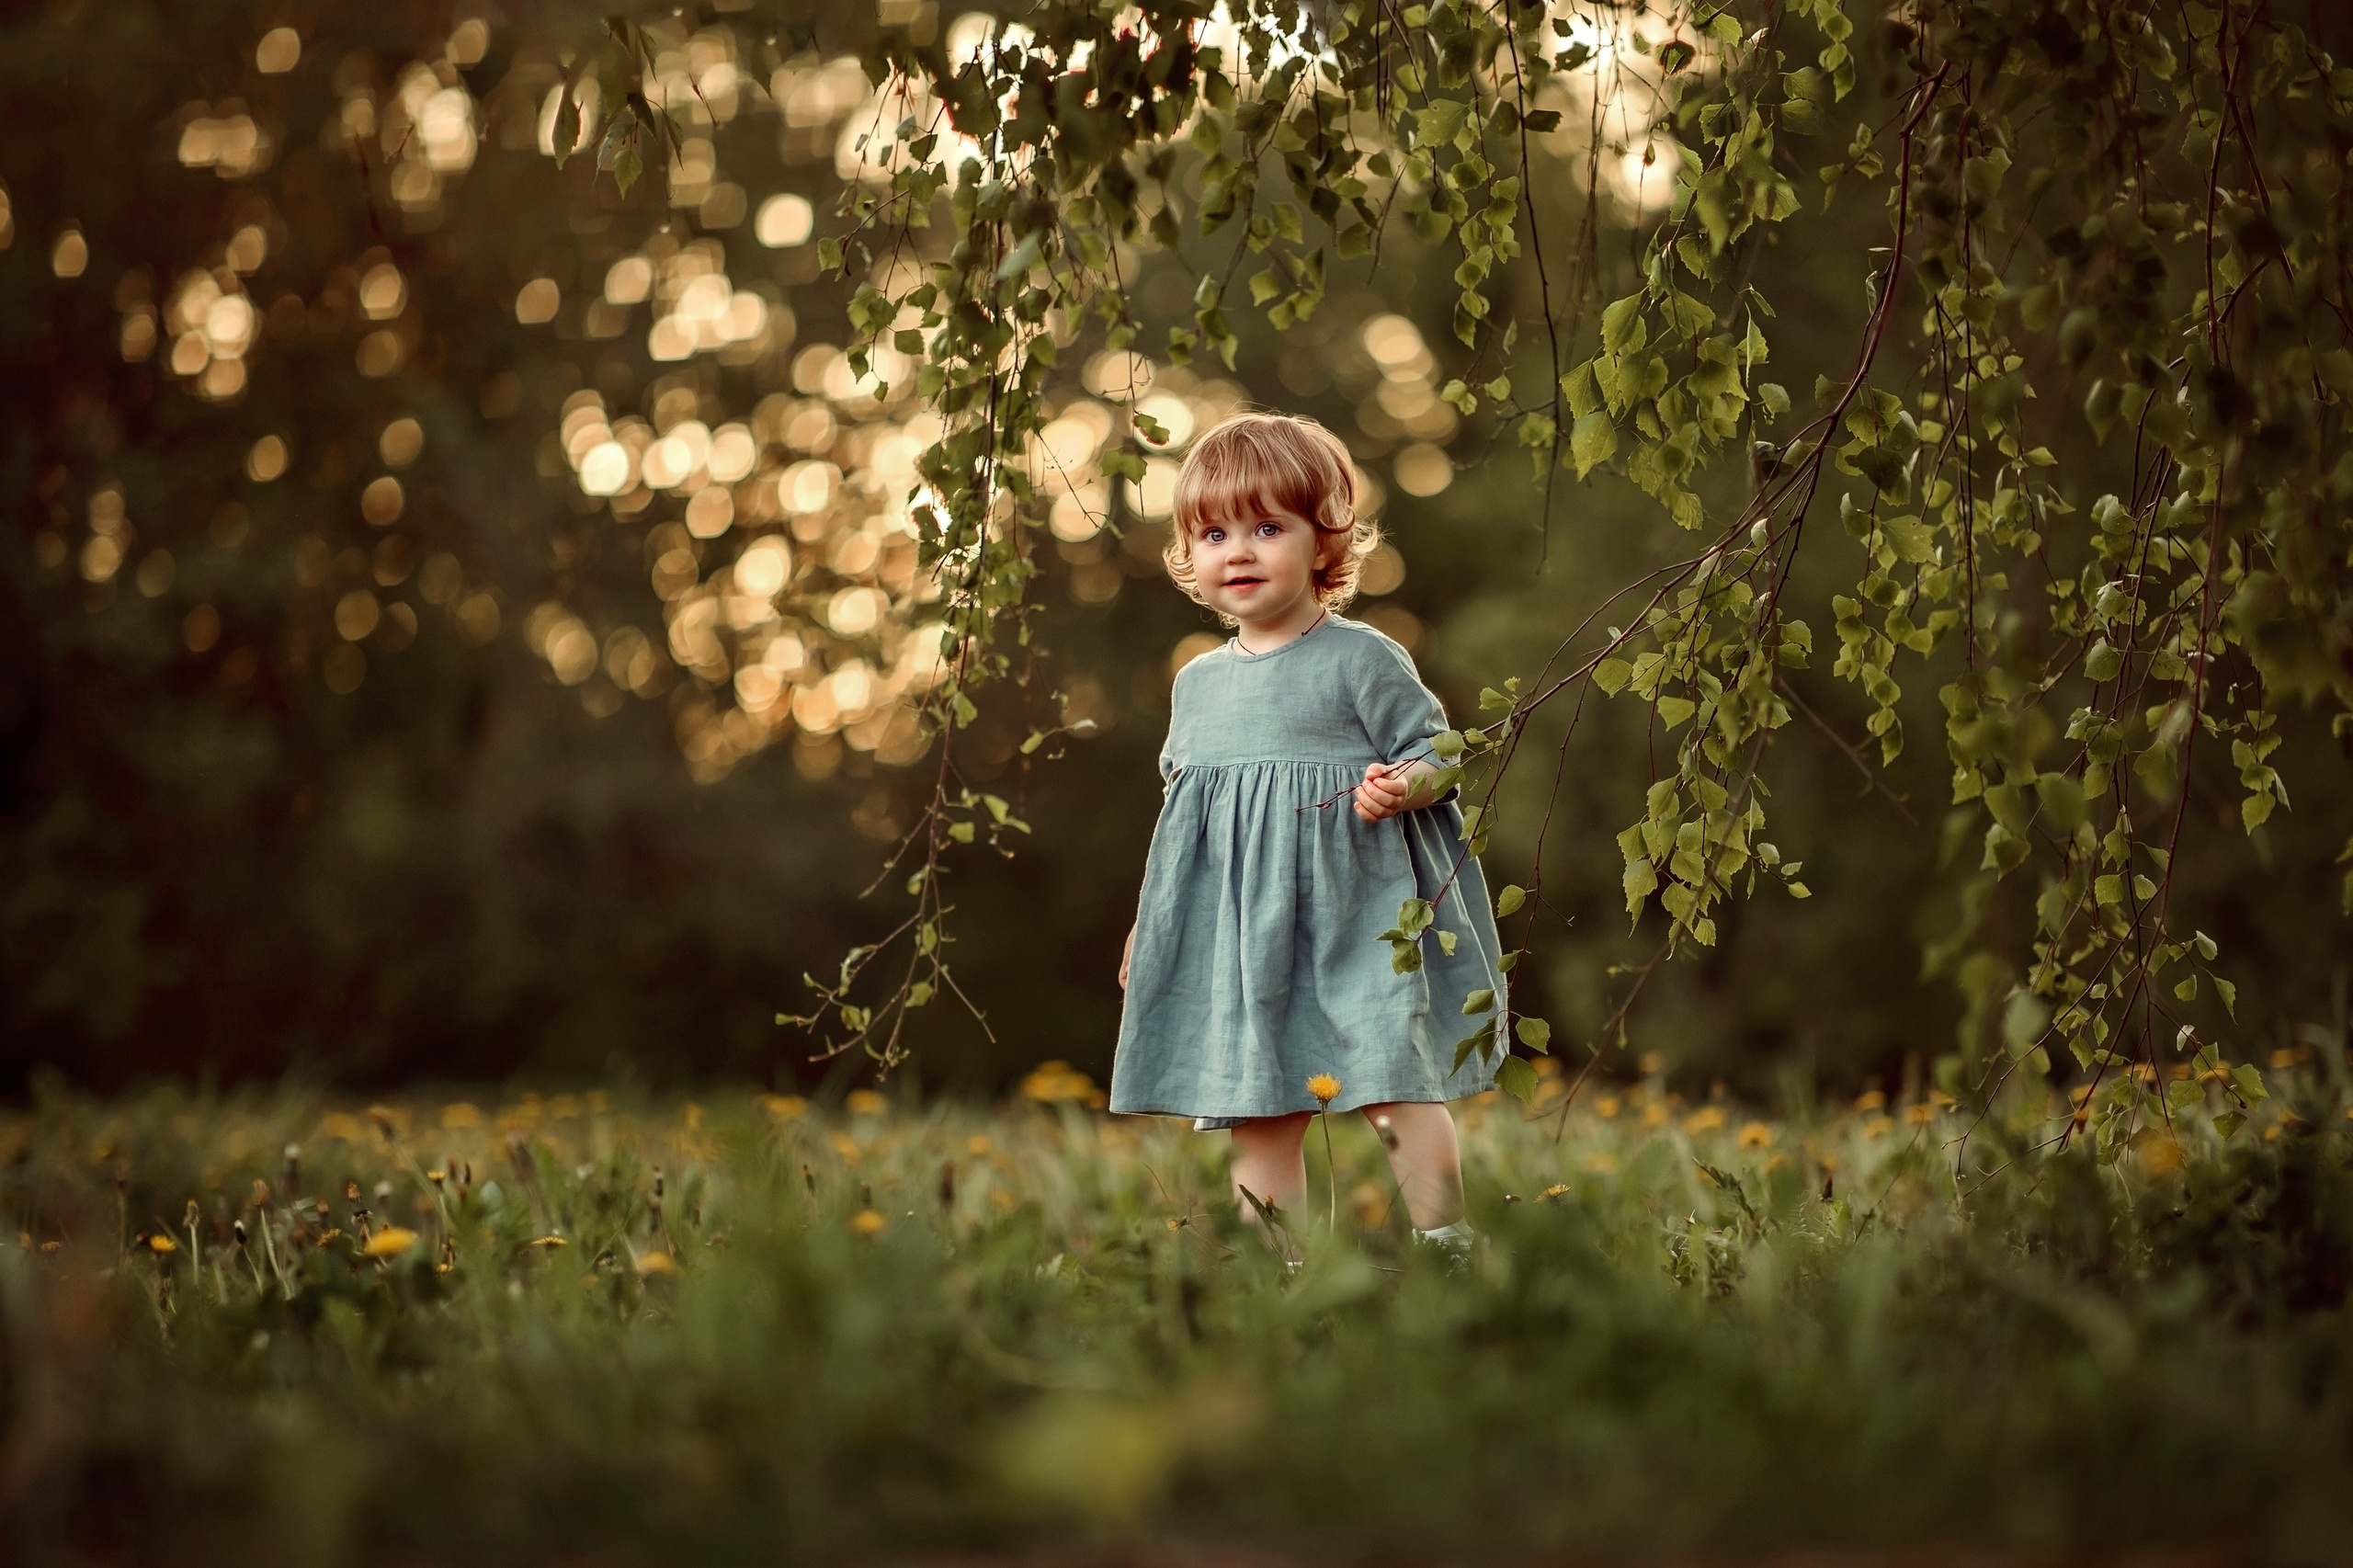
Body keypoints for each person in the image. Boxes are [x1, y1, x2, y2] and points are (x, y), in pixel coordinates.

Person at [1110, 411, 1506, 1265]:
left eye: (1266, 527)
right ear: (1189, 555)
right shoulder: (1197, 686)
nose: (1238, 551)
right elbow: (1179, 827)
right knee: (1259, 1112)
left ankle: (1447, 1246)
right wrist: (1150, 927)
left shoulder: (1361, 658)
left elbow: (1443, 752)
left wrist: (1405, 787)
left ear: (1322, 544)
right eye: (1213, 533)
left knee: (1394, 1086)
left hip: (1356, 914)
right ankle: (1283, 1277)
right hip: (1243, 935)